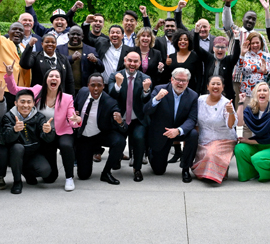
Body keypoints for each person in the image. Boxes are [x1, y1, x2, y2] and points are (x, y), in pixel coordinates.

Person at [5, 64, 81, 191]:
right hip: (44, 134)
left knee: (66, 145)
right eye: (51, 76)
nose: (54, 78)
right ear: (46, 79)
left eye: (57, 76)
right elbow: (15, 90)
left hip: (62, 132)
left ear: (60, 81)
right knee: (50, 178)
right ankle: (26, 171)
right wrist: (9, 75)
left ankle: (69, 178)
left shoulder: (67, 98)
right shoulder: (37, 90)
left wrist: (77, 121)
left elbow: (72, 119)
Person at [143, 68, 200, 183]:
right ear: (171, 79)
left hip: (179, 131)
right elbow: (146, 111)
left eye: (184, 81)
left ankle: (185, 168)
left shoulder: (193, 95)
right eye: (178, 79)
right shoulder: (159, 89)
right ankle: (151, 152)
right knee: (158, 171)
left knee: (193, 134)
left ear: (188, 82)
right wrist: (156, 99)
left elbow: (192, 119)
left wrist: (179, 130)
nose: (180, 83)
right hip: (162, 132)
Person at [74, 74, 127, 184]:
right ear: (88, 85)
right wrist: (74, 113)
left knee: (120, 141)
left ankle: (106, 173)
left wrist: (120, 122)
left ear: (103, 86)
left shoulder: (110, 102)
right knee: (83, 175)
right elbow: (73, 106)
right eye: (93, 85)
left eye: (99, 85)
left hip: (100, 135)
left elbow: (124, 129)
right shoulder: (82, 92)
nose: (96, 88)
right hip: (84, 138)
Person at [1, 89, 56, 194]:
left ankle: (26, 172)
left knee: (46, 171)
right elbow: (5, 139)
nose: (25, 105)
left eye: (29, 102)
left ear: (33, 103)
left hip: (33, 153)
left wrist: (49, 132)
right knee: (18, 148)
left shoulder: (39, 117)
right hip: (15, 154)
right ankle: (17, 181)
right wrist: (14, 130)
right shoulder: (8, 117)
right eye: (22, 102)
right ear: (15, 103)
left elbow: (48, 139)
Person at [108, 52, 152, 182]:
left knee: (139, 138)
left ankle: (137, 169)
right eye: (130, 61)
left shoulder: (145, 78)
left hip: (137, 119)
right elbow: (111, 96)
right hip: (120, 118)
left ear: (139, 63)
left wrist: (145, 90)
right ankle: (116, 160)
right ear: (125, 61)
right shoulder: (115, 75)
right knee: (118, 141)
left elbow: (147, 101)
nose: (132, 64)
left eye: (135, 61)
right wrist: (118, 84)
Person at [0, 0, 31, 103]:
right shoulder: (0, 42)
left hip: (19, 90)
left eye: (20, 30)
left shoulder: (24, 48)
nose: (17, 32)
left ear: (24, 34)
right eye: (14, 29)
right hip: (1, 88)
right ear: (8, 32)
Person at [192, 76, 237, 184]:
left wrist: (230, 112)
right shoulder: (200, 100)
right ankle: (219, 169)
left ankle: (218, 172)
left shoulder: (226, 103)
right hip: (204, 139)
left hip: (223, 139)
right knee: (200, 173)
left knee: (210, 154)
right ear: (208, 86)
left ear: (223, 87)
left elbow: (231, 125)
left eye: (218, 84)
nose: (215, 86)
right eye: (213, 84)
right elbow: (196, 122)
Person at [234, 82, 270, 182]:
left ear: (269, 94)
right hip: (256, 145)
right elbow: (239, 123)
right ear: (255, 94)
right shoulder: (250, 109)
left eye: (265, 90)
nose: (262, 93)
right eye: (259, 90)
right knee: (239, 148)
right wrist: (241, 103)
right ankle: (252, 173)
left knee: (257, 159)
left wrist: (247, 141)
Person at [222, 0, 266, 103]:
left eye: (253, 19)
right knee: (236, 107)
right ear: (243, 19)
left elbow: (265, 57)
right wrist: (227, 4)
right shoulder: (236, 32)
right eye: (248, 18)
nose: (251, 21)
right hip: (235, 77)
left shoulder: (260, 38)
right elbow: (227, 23)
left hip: (254, 81)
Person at [196, 35, 240, 101]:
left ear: (226, 49)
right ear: (213, 48)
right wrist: (196, 32)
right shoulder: (208, 58)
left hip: (225, 96)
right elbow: (196, 48)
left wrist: (236, 40)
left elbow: (236, 55)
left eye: (222, 47)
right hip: (207, 94)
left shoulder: (229, 60)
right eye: (217, 47)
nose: (220, 49)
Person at [236, 32, 270, 98]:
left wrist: (265, 72)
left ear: (261, 43)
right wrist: (242, 54)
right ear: (249, 44)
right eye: (253, 43)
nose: (255, 45)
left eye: (257, 43)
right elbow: (238, 71)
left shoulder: (268, 57)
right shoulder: (244, 55)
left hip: (262, 94)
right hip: (246, 93)